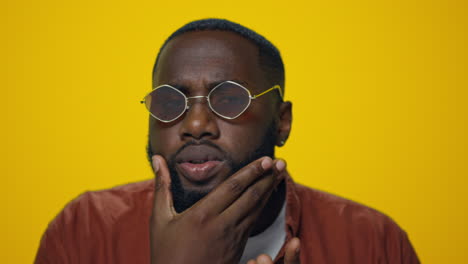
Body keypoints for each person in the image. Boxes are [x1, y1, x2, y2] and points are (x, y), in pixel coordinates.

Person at [35, 18, 420, 264]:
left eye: (230, 99)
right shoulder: (85, 231)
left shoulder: (373, 242)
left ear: (282, 122)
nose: (196, 123)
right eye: (171, 101)